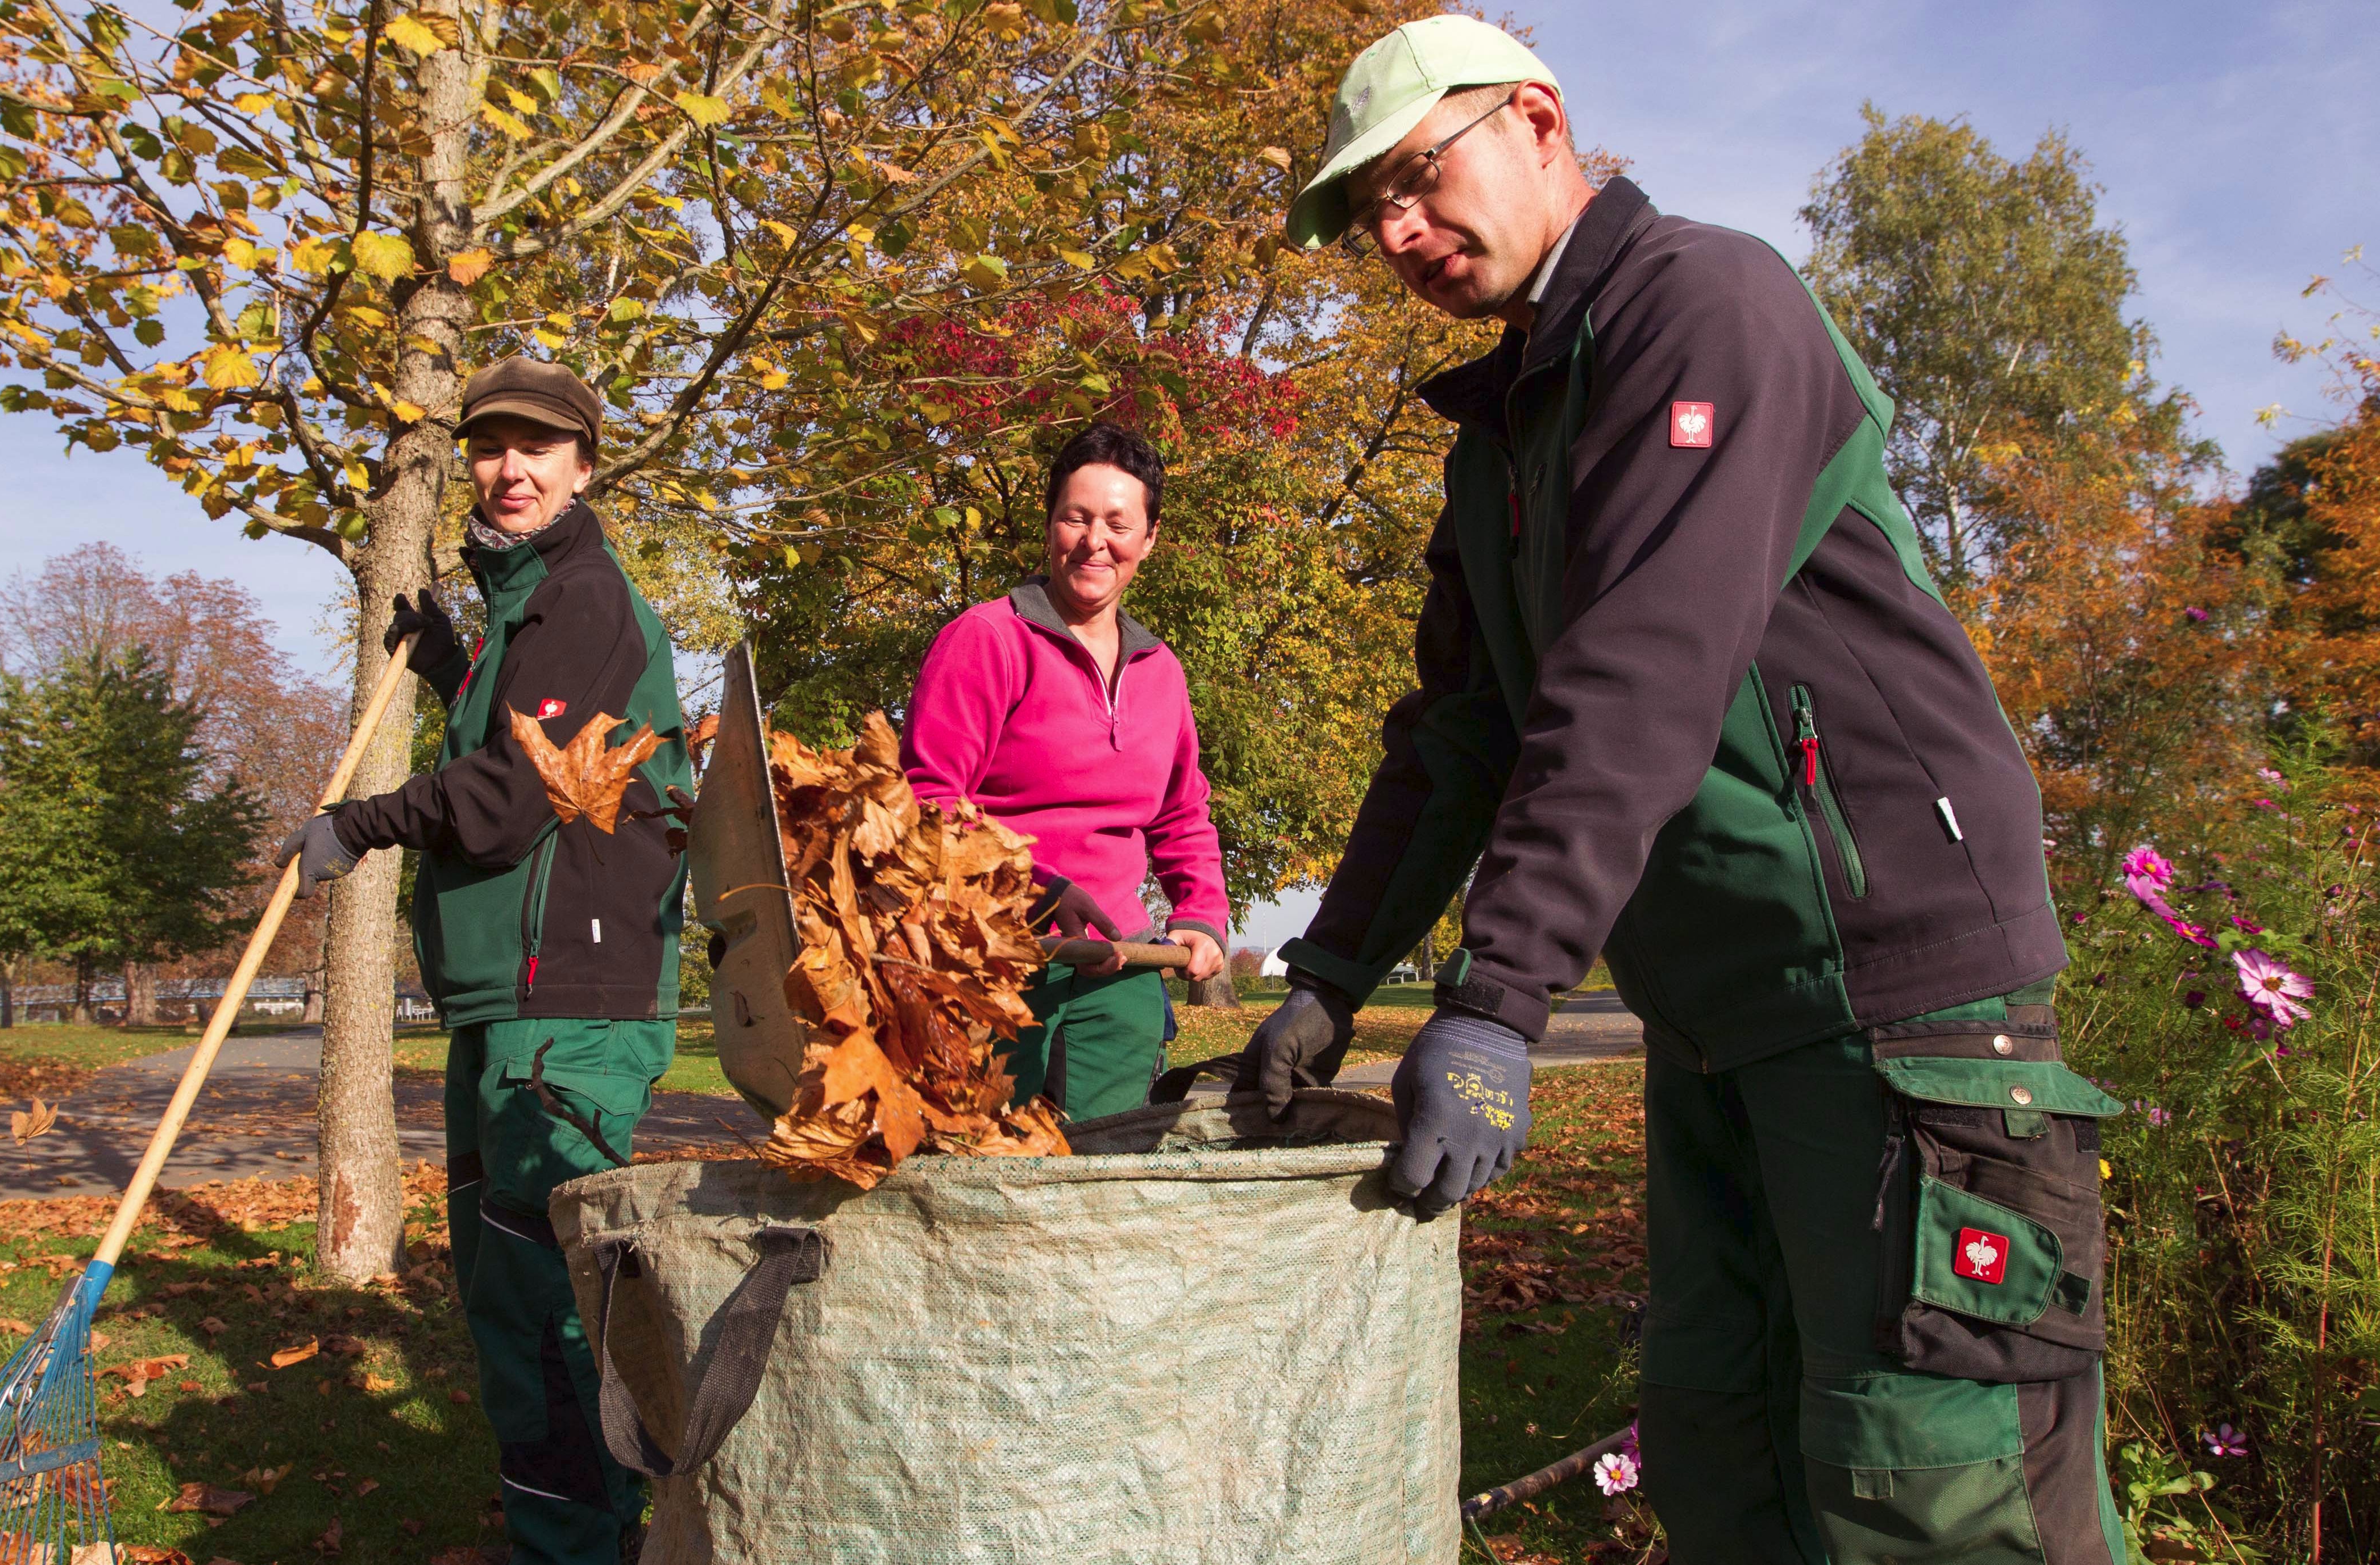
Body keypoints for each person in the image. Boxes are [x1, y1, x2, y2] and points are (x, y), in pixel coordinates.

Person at [1238, 18, 2119, 1565]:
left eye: (1416, 178)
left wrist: (1501, 997)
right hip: (1717, 1022)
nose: (1396, 232)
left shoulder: (1707, 308)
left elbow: (1643, 667)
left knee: (1930, 1493)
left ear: (1538, 119)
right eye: (1366, 213)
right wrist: (1327, 980)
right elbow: (1461, 737)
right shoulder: (1506, 436)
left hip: (1897, 1002)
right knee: (1734, 1471)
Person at [275, 357, 689, 1565]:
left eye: (540, 447)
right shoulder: (530, 607)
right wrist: (457, 665)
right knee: (513, 1299)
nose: (512, 469)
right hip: (509, 999)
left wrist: (357, 825)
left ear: (584, 467)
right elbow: (527, 738)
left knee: (550, 1302)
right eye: (494, 445)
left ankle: (585, 1551)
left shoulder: (586, 597)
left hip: (567, 1006)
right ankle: (573, 1538)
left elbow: (510, 799)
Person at [901, 423, 1230, 1121]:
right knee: (978, 1169)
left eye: (1118, 523)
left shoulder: (1161, 670)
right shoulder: (988, 640)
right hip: (992, 958)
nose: (1095, 541)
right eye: (1076, 518)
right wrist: (1043, 894)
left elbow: (1182, 816)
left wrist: (1201, 915)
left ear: (1148, 540)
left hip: (1122, 971)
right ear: (1050, 526)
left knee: (1106, 1174)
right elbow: (929, 803)